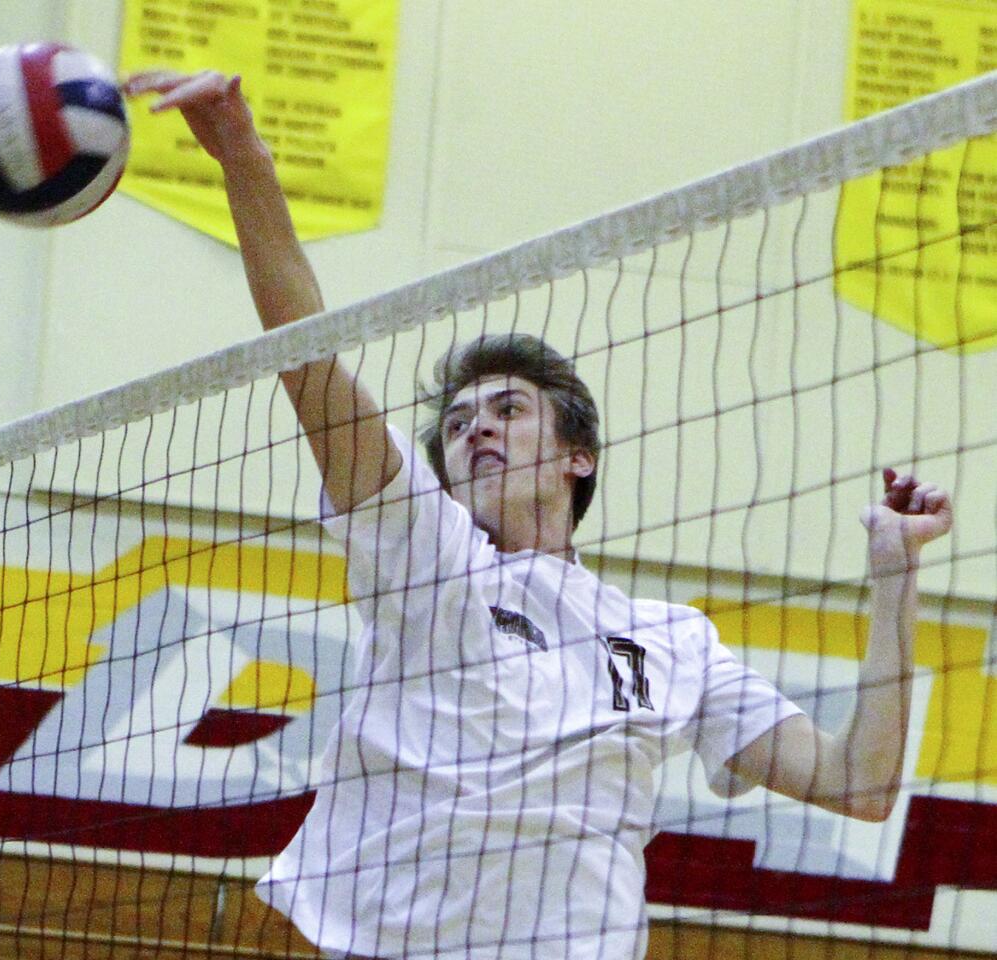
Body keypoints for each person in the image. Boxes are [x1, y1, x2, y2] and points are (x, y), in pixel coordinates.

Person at [124, 71, 954, 960]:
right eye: (455, 423)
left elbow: (858, 784)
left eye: (508, 409)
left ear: (576, 456)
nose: (475, 425)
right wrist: (245, 161)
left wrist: (894, 574)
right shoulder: (429, 557)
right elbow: (309, 368)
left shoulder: (670, 641)